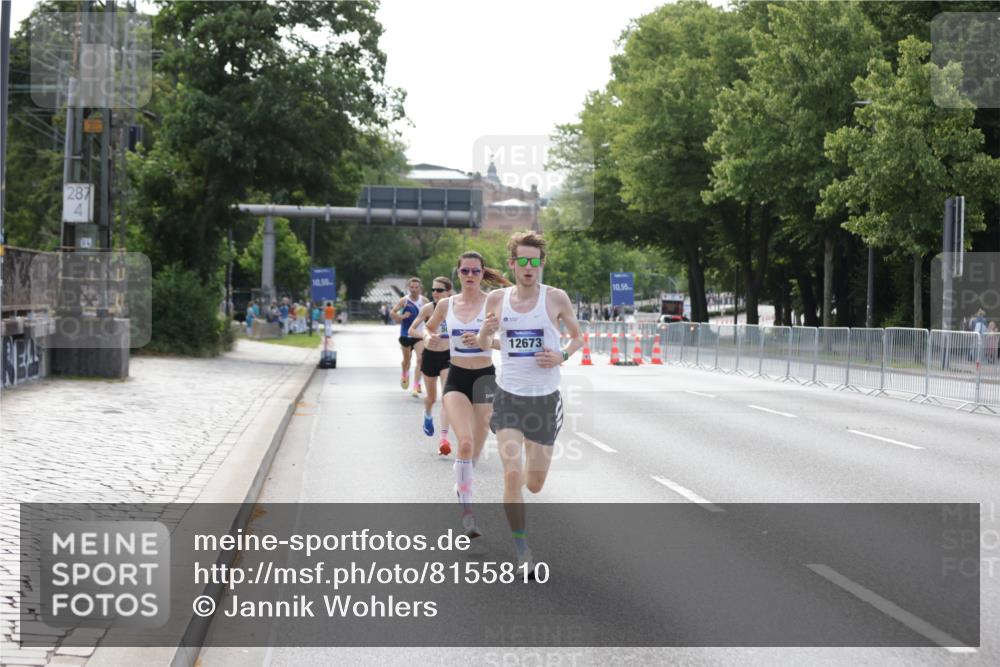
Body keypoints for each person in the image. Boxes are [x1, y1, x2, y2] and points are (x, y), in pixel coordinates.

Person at [477, 231, 583, 575]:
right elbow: (483, 341)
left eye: (534, 261)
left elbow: (578, 337)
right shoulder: (496, 299)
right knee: (510, 475)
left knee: (534, 484)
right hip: (508, 396)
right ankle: (522, 550)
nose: (528, 266)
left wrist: (561, 355)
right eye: (522, 260)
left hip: (544, 400)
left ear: (541, 264)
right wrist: (486, 331)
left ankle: (520, 487)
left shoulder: (555, 299)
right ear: (512, 263)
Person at [424, 253, 511, 538]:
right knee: (464, 443)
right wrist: (430, 339)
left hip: (485, 378)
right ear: (458, 273)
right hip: (457, 377)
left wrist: (487, 340)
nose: (470, 275)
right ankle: (467, 513)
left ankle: (463, 481)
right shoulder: (447, 304)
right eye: (465, 270)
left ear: (482, 272)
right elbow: (428, 327)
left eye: (476, 270)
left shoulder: (493, 303)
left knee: (474, 453)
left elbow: (509, 342)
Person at [410, 277, 455, 454]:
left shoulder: (455, 307)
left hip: (448, 356)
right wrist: (426, 336)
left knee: (447, 397)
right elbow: (411, 330)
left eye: (439, 290)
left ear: (449, 292)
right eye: (433, 290)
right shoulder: (428, 308)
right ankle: (427, 415)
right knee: (432, 397)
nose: (435, 293)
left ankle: (443, 439)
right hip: (430, 355)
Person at [390, 278, 428, 394]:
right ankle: (405, 374)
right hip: (405, 335)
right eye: (412, 287)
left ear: (420, 288)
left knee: (421, 359)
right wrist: (402, 317)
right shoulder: (404, 300)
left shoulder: (424, 301)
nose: (414, 289)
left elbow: (431, 315)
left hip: (419, 335)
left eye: (416, 287)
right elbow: (392, 313)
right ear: (408, 288)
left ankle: (416, 385)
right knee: (407, 360)